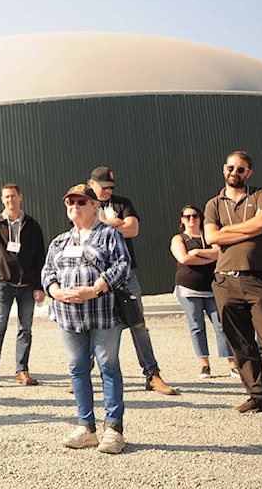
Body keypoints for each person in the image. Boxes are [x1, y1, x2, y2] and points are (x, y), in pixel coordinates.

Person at [42, 183, 131, 454]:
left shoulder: (109, 235)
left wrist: (95, 289)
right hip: (69, 317)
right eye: (70, 203)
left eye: (81, 202)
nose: (75, 207)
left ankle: (113, 429)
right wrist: (56, 292)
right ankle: (86, 427)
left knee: (108, 367)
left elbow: (123, 266)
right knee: (78, 369)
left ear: (95, 206)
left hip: (103, 314)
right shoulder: (60, 241)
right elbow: (48, 272)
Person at [204, 151, 262, 420]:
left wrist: (227, 231)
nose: (235, 173)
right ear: (223, 169)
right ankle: (258, 397)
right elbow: (210, 236)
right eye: (231, 168)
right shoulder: (213, 204)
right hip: (226, 280)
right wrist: (248, 230)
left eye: (241, 169)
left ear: (248, 172)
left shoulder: (260, 195)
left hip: (260, 280)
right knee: (240, 344)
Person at [88, 166, 176, 395]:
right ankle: (83, 374)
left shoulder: (123, 203)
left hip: (126, 276)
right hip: (96, 276)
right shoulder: (84, 203)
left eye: (110, 187)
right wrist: (115, 224)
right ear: (92, 184)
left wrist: (102, 225)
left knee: (138, 324)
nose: (107, 190)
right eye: (103, 186)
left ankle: (152, 375)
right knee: (92, 324)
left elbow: (133, 229)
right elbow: (85, 232)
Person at [0, 183, 46, 389]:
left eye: (13, 196)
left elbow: (40, 256)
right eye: (6, 197)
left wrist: (39, 285)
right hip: (3, 285)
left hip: (27, 286)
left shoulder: (32, 225)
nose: (10, 200)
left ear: (20, 197)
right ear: (2, 199)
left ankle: (22, 370)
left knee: (25, 329)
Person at [169, 205, 238, 378]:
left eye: (195, 216)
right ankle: (205, 365)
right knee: (196, 326)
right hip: (188, 289)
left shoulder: (208, 237)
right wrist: (208, 257)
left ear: (200, 218)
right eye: (187, 216)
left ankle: (232, 364)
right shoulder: (179, 238)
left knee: (222, 325)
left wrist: (198, 252)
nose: (192, 219)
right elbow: (183, 258)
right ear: (182, 219)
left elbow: (220, 254)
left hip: (212, 288)